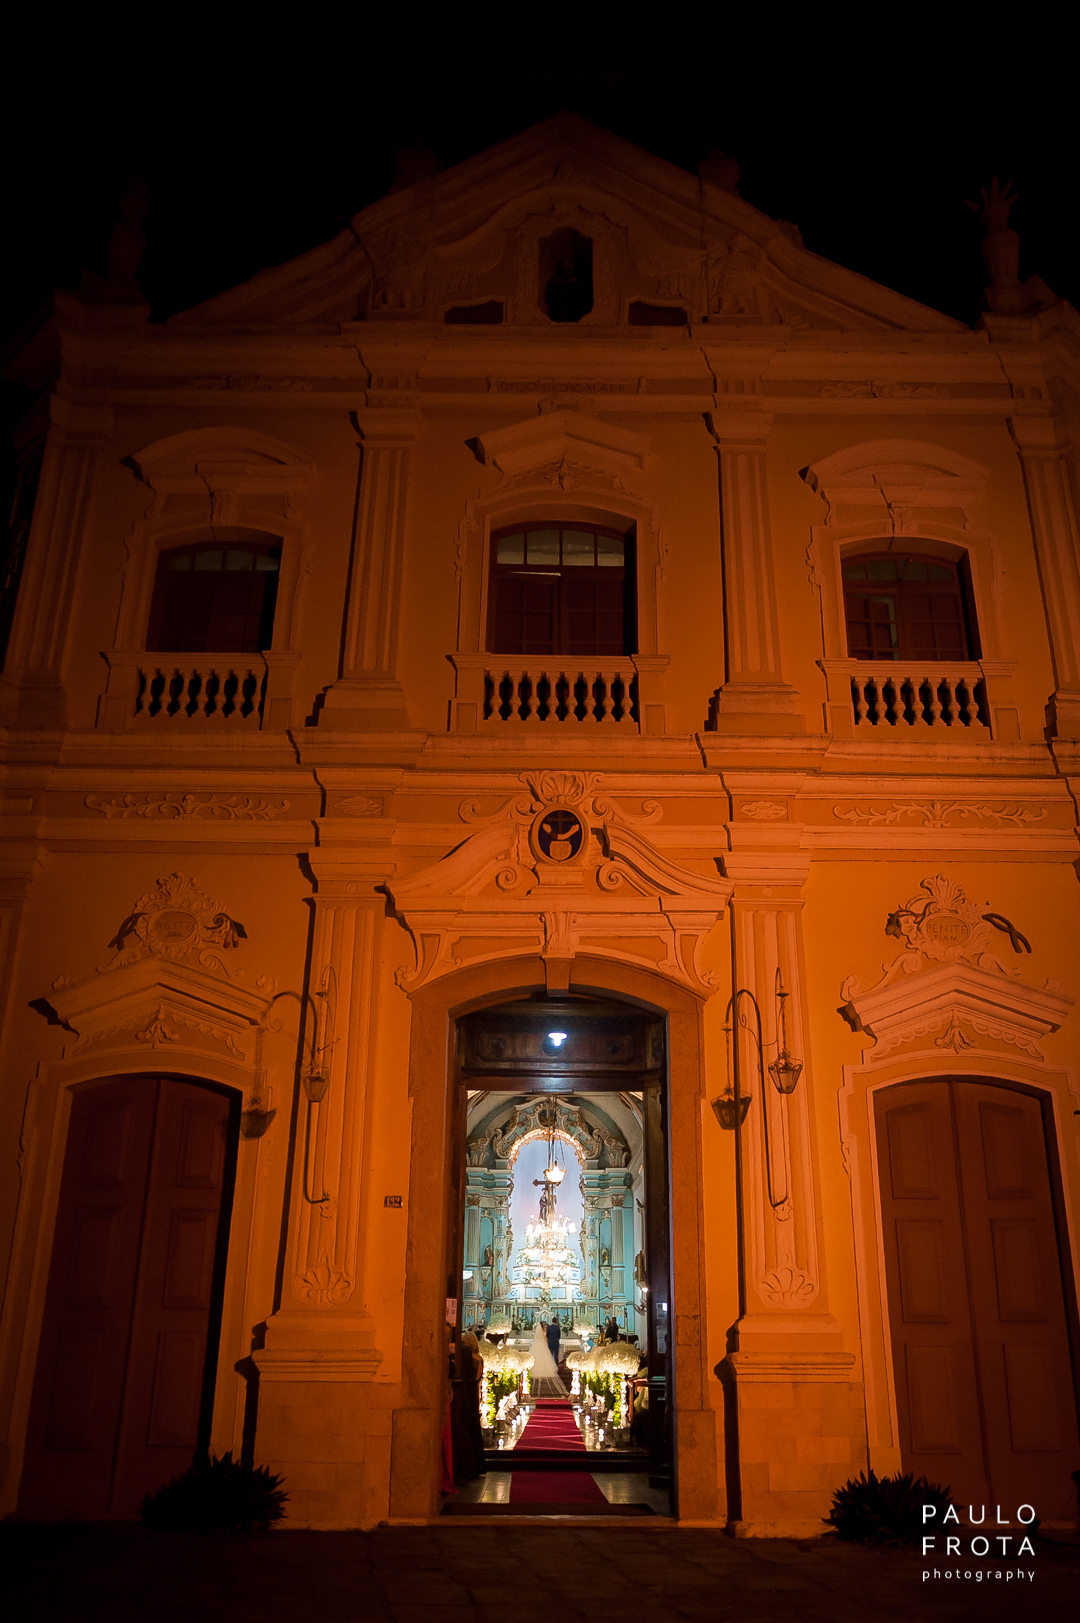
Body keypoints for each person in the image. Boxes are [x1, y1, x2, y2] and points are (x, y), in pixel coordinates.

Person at [529, 1318, 562, 1393]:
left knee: (545, 1356)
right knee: (550, 1357)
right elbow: (558, 1336)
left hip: (546, 1343)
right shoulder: (557, 1328)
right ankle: (555, 1367)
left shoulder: (549, 1328)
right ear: (556, 1321)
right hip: (554, 1343)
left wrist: (548, 1340)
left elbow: (547, 1335)